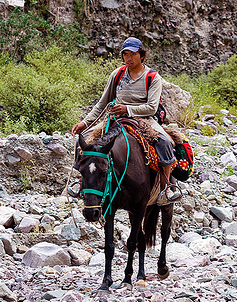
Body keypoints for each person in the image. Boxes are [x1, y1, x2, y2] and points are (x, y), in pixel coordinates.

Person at [71, 37, 181, 205]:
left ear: (142, 56)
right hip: (116, 118)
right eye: (125, 54)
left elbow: (151, 107)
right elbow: (102, 103)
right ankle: (81, 182)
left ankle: (167, 186)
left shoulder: (152, 77)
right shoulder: (117, 74)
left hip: (144, 119)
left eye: (133, 54)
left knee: (165, 142)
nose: (129, 58)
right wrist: (85, 123)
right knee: (84, 142)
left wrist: (127, 109)